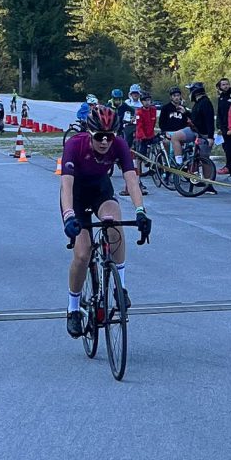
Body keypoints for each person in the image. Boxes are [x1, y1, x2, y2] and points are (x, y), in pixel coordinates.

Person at [59, 105, 150, 335]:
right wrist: (69, 216)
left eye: (110, 136)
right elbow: (66, 186)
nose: (105, 142)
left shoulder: (119, 145)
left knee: (114, 224)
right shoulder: (74, 145)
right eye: (99, 136)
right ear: (90, 133)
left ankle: (121, 288)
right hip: (76, 196)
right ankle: (73, 308)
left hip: (100, 190)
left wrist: (140, 211)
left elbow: (131, 180)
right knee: (82, 254)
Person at [189, 80, 218, 183]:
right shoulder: (198, 103)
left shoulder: (205, 103)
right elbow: (195, 118)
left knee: (204, 158)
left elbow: (209, 121)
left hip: (204, 135)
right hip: (198, 133)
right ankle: (197, 178)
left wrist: (210, 137)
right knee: (199, 157)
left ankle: (208, 182)